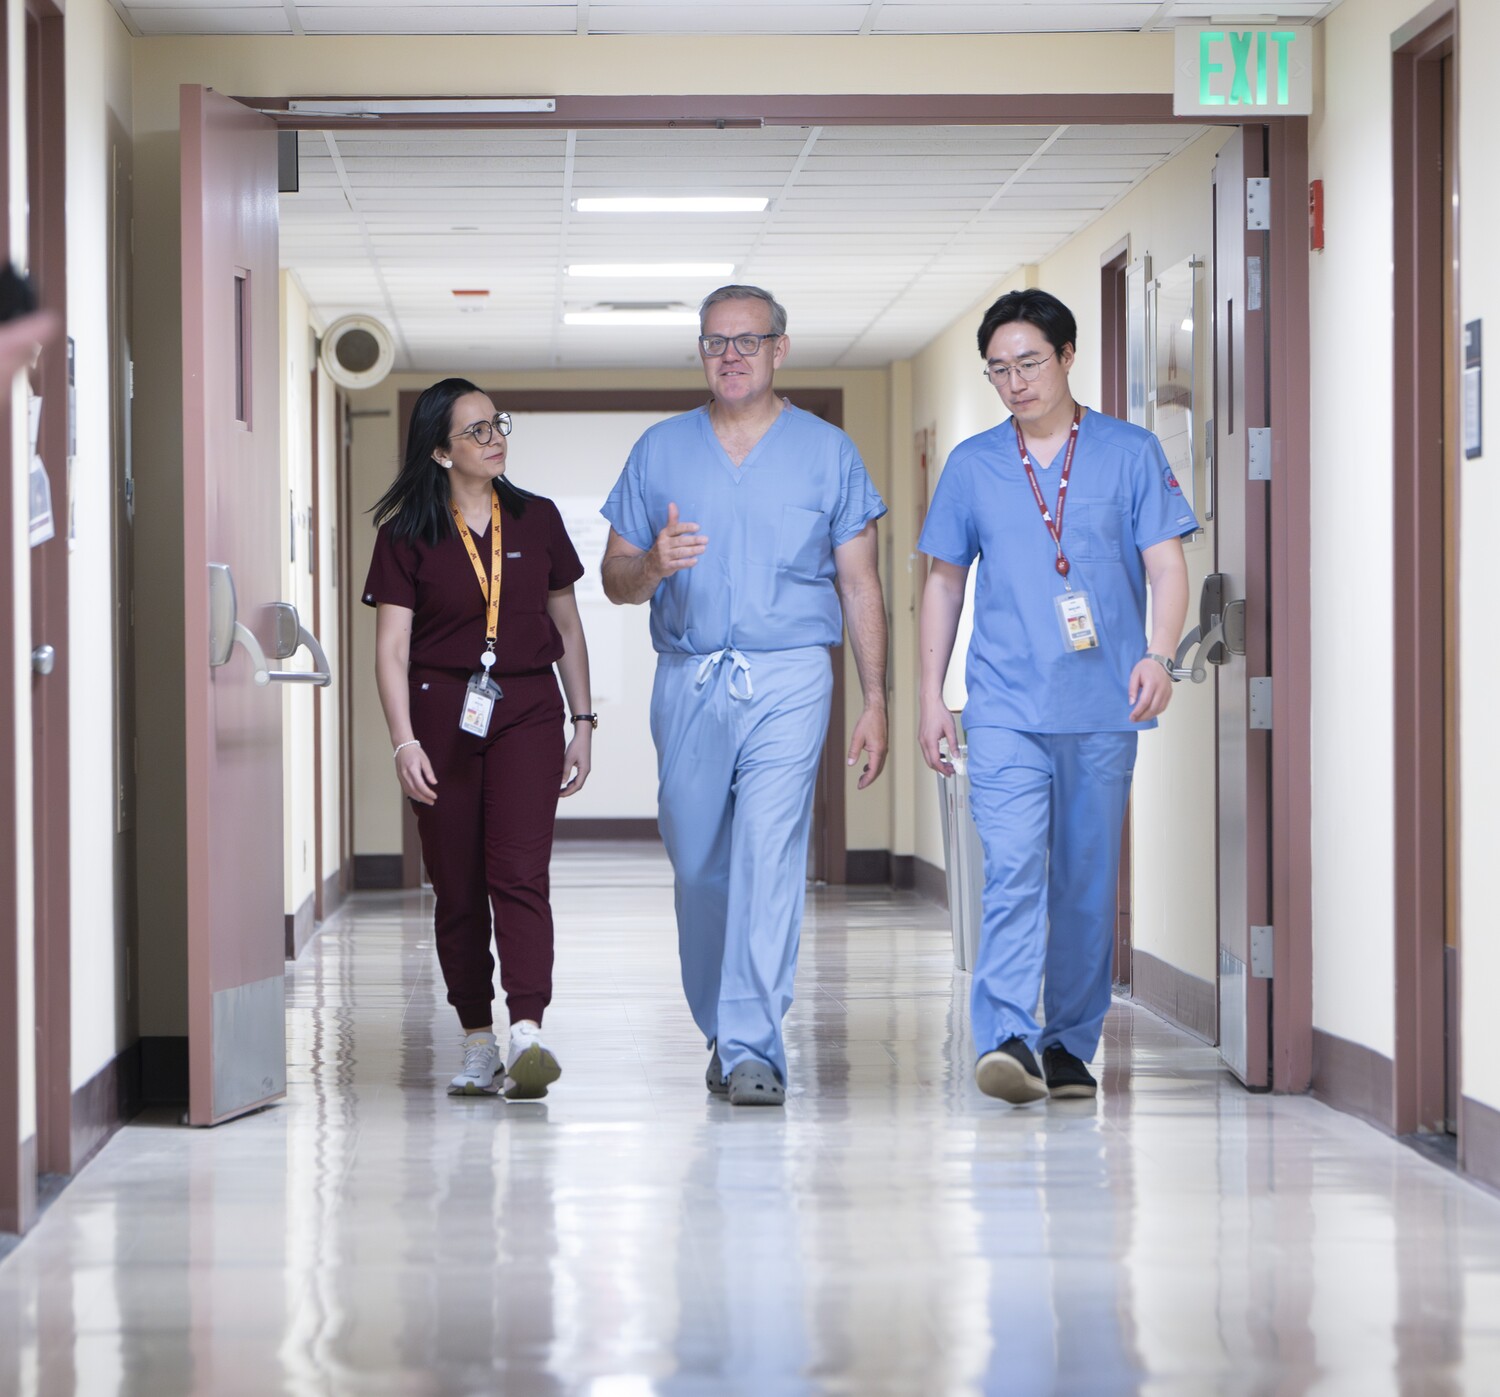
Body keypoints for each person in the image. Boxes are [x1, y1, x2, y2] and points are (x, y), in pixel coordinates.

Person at [601, 285, 889, 1107]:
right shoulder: (660, 450)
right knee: (698, 865)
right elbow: (616, 579)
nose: (729, 356)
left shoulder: (828, 452)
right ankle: (722, 1031)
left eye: (746, 341)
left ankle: (755, 1044)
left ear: (779, 349)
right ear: (701, 353)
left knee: (769, 853)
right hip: (689, 675)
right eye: (714, 343)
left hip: (792, 670)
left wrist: (877, 698)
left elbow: (860, 583)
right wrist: (653, 564)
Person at [917, 289, 1196, 1105]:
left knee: (1084, 880)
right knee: (1011, 867)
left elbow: (1167, 566)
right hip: (1004, 702)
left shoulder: (1130, 452)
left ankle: (1069, 1042)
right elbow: (943, 581)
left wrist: (1159, 655)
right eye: (998, 369)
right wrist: (934, 697)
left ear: (1068, 356)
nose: (1014, 382)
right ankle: (1004, 1034)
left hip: (1105, 703)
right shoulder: (973, 465)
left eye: (1029, 362)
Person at [364, 378, 595, 1098]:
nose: (495, 437)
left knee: (520, 873)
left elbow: (567, 626)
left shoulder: (538, 519)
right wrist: (404, 741)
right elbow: (391, 650)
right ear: (439, 451)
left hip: (527, 706)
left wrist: (582, 719)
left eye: (498, 424)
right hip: (441, 715)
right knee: (458, 886)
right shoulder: (407, 535)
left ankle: (527, 1028)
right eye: (475, 430)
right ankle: (476, 1039)